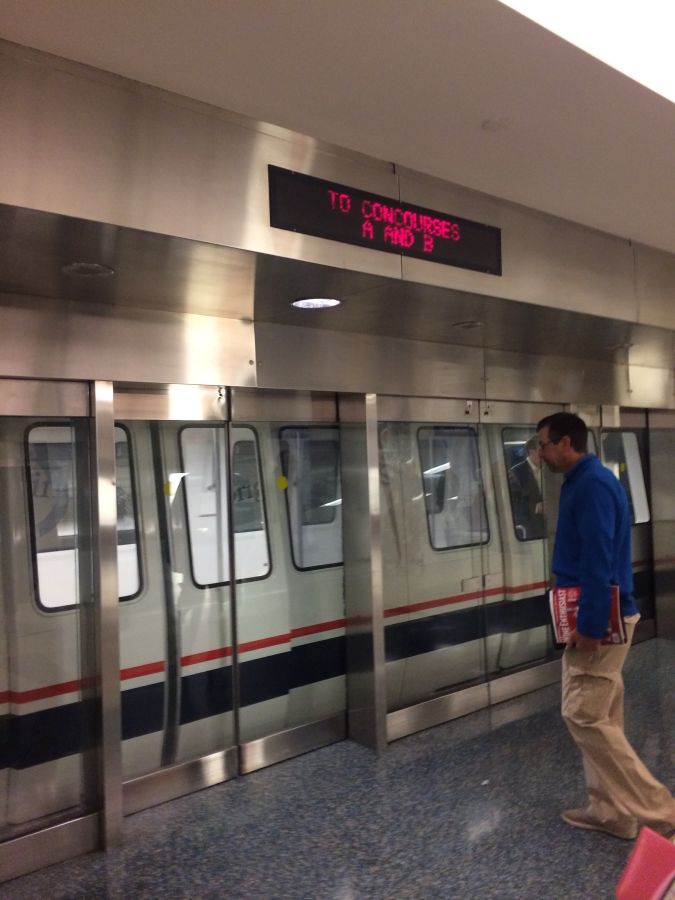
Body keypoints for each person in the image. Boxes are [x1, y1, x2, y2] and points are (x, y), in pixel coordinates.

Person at [536, 411, 675, 840]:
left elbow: (597, 562)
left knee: (583, 714)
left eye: (542, 444)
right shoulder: (584, 482)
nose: (539, 454)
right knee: (603, 714)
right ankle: (611, 812)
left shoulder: (592, 486)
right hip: (596, 614)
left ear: (564, 443)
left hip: (601, 620)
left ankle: (662, 812)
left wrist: (592, 626)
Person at [508, 435, 546, 540]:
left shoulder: (549, 469)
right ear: (531, 452)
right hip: (530, 528)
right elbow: (514, 503)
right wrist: (536, 507)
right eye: (540, 451)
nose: (544, 454)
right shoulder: (516, 473)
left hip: (549, 526)